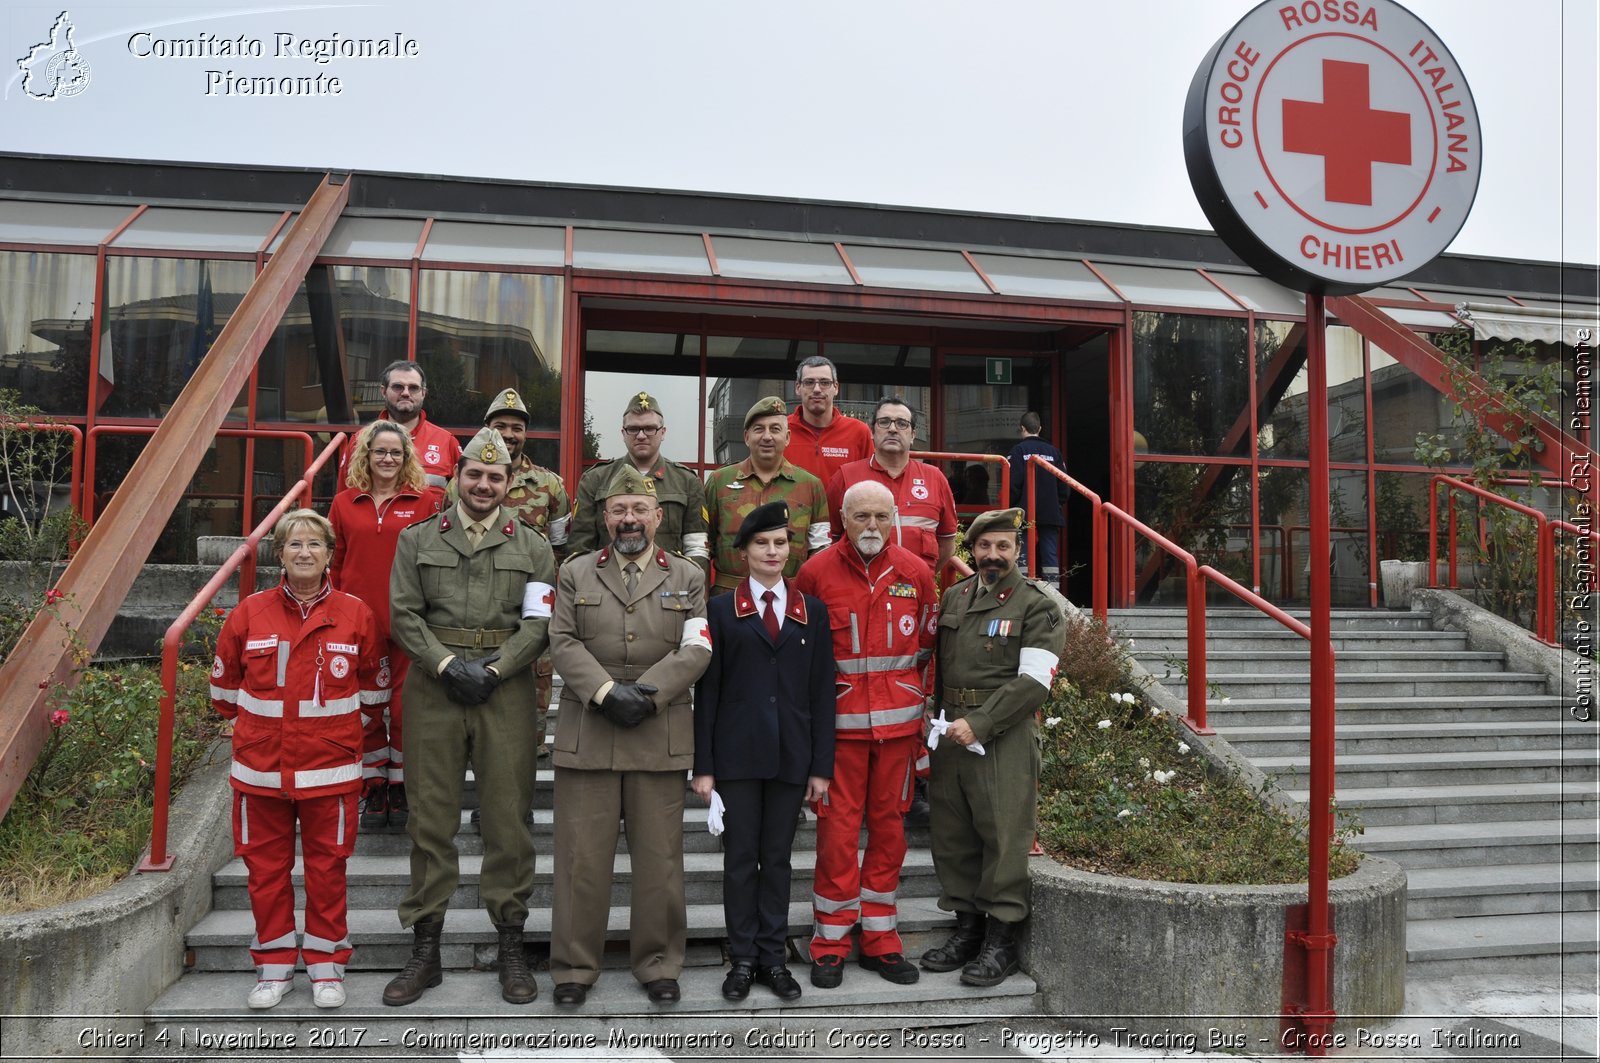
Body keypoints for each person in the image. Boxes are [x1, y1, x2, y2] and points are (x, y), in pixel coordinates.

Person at [382, 428, 558, 1007]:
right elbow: (405, 616)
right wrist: (447, 664)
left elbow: (538, 625)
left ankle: (511, 946)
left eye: (496, 476)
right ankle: (425, 951)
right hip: (434, 689)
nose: (484, 485)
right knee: (430, 818)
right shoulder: (417, 539)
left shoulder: (533, 546)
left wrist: (496, 669)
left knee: (507, 817)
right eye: (475, 475)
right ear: (457, 477)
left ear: (510, 484)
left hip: (503, 690)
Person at [546, 464, 713, 1007]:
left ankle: (659, 964)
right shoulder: (574, 572)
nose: (629, 519)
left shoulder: (688, 576)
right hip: (588, 732)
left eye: (640, 509)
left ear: (659, 516)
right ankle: (574, 968)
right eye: (618, 510)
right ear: (603, 517)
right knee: (580, 862)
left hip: (656, 731)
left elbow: (697, 648)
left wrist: (646, 692)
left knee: (660, 863)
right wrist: (603, 692)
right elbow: (562, 639)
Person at [209, 508, 388, 1011]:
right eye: (293, 544)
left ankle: (327, 969)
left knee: (328, 873)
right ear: (280, 555)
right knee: (265, 873)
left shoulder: (357, 614)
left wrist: (343, 743)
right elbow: (223, 693)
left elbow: (373, 695)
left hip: (330, 773)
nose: (304, 552)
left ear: (330, 554)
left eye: (314, 544)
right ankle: (274, 969)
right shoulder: (249, 613)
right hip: (260, 771)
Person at [794, 480, 936, 989]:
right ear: (843, 519)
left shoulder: (916, 573)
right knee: (835, 835)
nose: (872, 526)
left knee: (891, 833)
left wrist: (920, 725)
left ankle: (880, 939)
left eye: (881, 516)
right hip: (839, 736)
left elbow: (926, 651)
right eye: (861, 517)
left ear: (894, 517)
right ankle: (829, 942)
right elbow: (799, 659)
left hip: (898, 732)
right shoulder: (815, 574)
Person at [692, 501, 835, 1002]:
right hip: (735, 758)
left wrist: (821, 766)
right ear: (745, 551)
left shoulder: (810, 612)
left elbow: (821, 692)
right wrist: (704, 766)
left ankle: (774, 959)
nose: (773, 551)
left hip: (792, 758)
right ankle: (743, 957)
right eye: (762, 543)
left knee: (777, 860)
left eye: (780, 543)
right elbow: (707, 693)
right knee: (739, 860)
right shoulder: (721, 609)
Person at [921, 508, 1064, 987]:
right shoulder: (956, 597)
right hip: (949, 736)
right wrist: (936, 725)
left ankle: (999, 943)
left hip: (1002, 736)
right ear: (972, 550)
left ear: (1017, 551)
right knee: (953, 836)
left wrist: (979, 723)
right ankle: (966, 932)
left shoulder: (1036, 605)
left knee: (1003, 838)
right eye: (984, 547)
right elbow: (939, 668)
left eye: (1003, 547)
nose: (993, 555)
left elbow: (1034, 682)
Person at [327, 420, 445, 830]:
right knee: (367, 709)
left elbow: (436, 563)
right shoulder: (344, 502)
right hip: (357, 623)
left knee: (404, 707)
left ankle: (401, 783)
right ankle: (374, 783)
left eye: (396, 452)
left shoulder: (427, 500)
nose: (388, 458)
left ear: (407, 456)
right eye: (380, 451)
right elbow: (337, 561)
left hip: (409, 621)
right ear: (367, 455)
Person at [452, 387, 569, 761]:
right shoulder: (462, 483)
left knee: (534, 690)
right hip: (477, 605)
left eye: (516, 427)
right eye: (500, 425)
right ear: (487, 429)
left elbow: (560, 546)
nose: (509, 434)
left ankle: (527, 767)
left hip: (532, 608)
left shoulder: (550, 485)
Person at [567, 391, 710, 572]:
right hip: (608, 587)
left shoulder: (687, 482)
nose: (641, 435)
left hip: (668, 589)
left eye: (650, 428)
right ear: (623, 433)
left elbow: (696, 548)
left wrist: (691, 591)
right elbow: (580, 545)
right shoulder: (595, 480)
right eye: (633, 429)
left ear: (663, 432)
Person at [704, 396, 830, 595]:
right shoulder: (719, 482)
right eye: (759, 429)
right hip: (729, 599)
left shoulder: (810, 486)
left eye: (775, 429)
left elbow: (820, 551)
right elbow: (704, 547)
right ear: (746, 437)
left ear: (787, 437)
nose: (767, 436)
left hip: (789, 600)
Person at [826, 397, 958, 578]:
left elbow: (947, 544)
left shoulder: (935, 478)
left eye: (902, 424)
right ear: (872, 431)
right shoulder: (845, 476)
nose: (893, 429)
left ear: (912, 435)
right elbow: (832, 540)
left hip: (915, 592)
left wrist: (921, 577)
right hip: (859, 588)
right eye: (884, 422)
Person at [336, 359, 462, 490]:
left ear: (423, 393)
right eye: (398, 387)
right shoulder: (359, 441)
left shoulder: (446, 442)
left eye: (413, 388)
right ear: (383, 391)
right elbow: (343, 496)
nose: (406, 393)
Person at [786, 355, 872, 487]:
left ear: (836, 388)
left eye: (824, 383)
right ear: (798, 387)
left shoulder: (859, 432)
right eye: (809, 382)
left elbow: (871, 482)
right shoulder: (781, 429)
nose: (817, 389)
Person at [1007, 411, 1068, 584]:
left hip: (1023, 511)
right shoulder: (1054, 453)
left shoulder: (1018, 451)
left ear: (1022, 428)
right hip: (1050, 512)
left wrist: (1012, 506)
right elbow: (1064, 486)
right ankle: (1053, 593)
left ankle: (1023, 590)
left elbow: (1012, 484)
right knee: (1049, 553)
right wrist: (1056, 503)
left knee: (1022, 551)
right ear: (1040, 428)